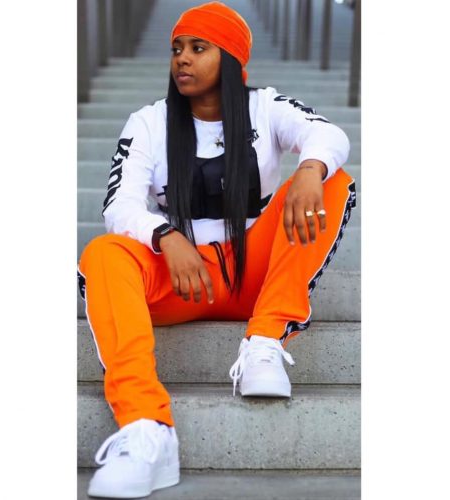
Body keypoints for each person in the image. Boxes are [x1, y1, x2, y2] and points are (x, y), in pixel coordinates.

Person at [78, 1, 356, 497]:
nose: (182, 58)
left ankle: (265, 340)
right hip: (183, 280)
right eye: (176, 49)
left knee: (332, 182)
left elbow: (327, 133)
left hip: (254, 275)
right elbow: (119, 206)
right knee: (103, 253)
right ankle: (146, 427)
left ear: (230, 58)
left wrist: (310, 169)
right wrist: (166, 235)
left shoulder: (265, 106)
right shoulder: (149, 121)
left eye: (198, 48)